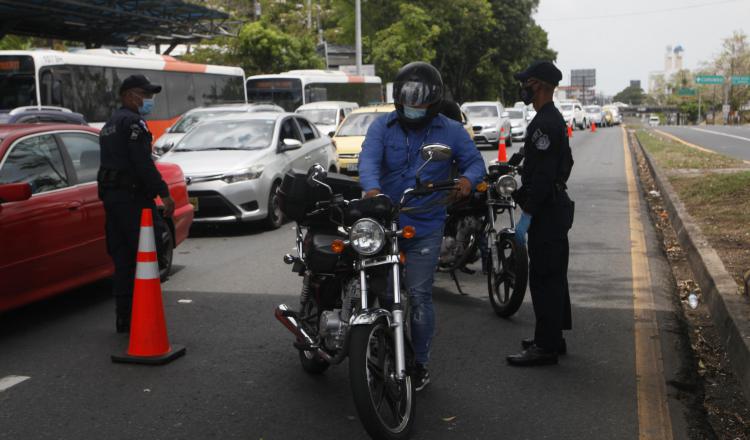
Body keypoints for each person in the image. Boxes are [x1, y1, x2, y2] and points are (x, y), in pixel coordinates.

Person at [358, 62, 486, 390]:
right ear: (397, 98)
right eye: (406, 99)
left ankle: (421, 362)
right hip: (385, 223)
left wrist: (467, 182)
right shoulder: (380, 128)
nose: (413, 107)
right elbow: (368, 162)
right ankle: (390, 343)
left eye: (420, 101)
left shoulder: (452, 131)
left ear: (434, 102)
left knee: (418, 296)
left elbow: (475, 163)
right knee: (385, 293)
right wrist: (372, 191)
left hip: (425, 225)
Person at [506, 61, 574, 367]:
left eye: (528, 82)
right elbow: (566, 162)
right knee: (554, 274)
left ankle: (545, 347)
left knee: (545, 277)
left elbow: (545, 175)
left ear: (540, 86)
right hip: (554, 207)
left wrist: (529, 211)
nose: (524, 87)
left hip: (546, 211)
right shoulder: (551, 118)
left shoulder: (545, 122)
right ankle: (552, 337)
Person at [98, 74, 174, 333]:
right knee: (145, 258)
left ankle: (124, 318)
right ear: (130, 95)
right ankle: (145, 316)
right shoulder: (134, 124)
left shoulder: (109, 124)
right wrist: (163, 192)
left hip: (113, 201)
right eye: (146, 95)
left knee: (122, 261)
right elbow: (142, 164)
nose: (149, 100)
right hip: (134, 202)